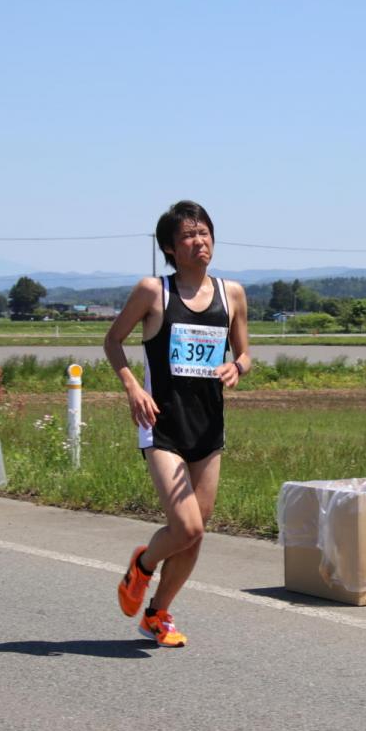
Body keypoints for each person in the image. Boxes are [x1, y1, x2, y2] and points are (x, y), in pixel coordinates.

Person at [103, 200, 251, 647]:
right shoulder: (154, 292)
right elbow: (112, 341)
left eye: (204, 232)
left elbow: (244, 353)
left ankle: (157, 613)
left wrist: (237, 369)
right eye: (187, 235)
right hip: (162, 423)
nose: (199, 241)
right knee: (185, 526)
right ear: (170, 246)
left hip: (208, 428)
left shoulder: (233, 294)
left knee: (195, 535)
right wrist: (132, 386)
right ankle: (142, 566)